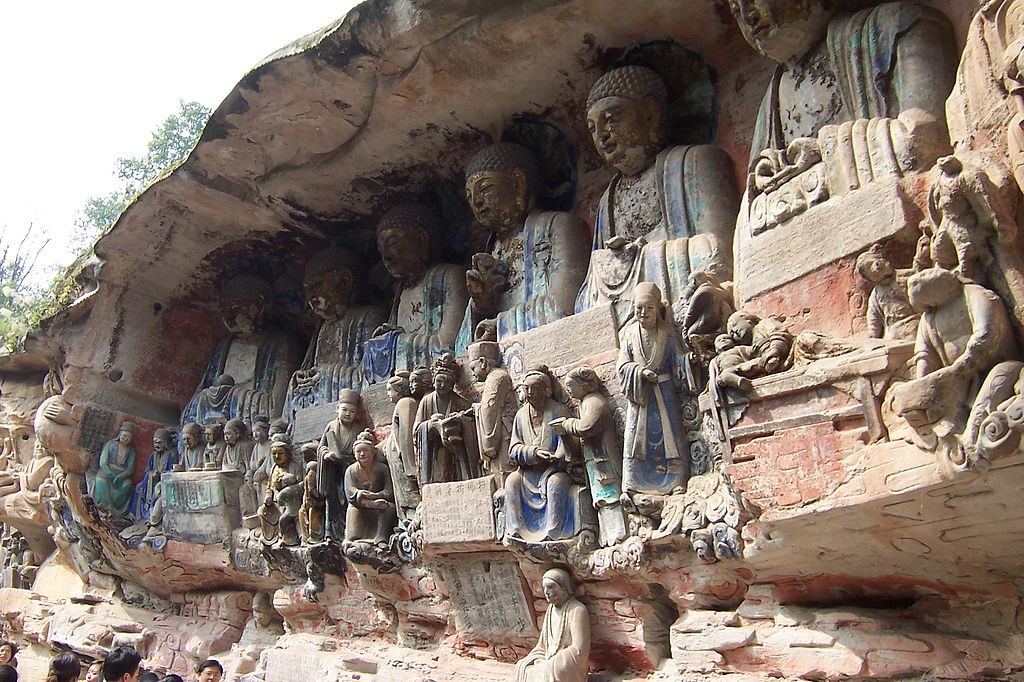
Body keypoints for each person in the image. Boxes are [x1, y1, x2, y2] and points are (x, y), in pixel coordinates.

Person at [513, 568, 590, 682]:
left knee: (553, 670)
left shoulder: (577, 609)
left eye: (550, 587)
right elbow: (542, 645)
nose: (546, 592)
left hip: (565, 663)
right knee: (522, 666)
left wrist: (553, 663)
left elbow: (579, 650)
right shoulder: (550, 610)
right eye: (544, 588)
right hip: (548, 657)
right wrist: (537, 657)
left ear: (564, 588)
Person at [93, 422, 137, 515]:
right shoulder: (110, 444)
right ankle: (104, 507)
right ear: (120, 434)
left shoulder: (131, 451)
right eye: (124, 436)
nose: (126, 439)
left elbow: (130, 469)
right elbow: (103, 462)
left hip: (121, 475)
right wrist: (110, 473)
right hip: (107, 471)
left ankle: (117, 510)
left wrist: (120, 476)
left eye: (129, 438)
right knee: (101, 480)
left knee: (128, 485)